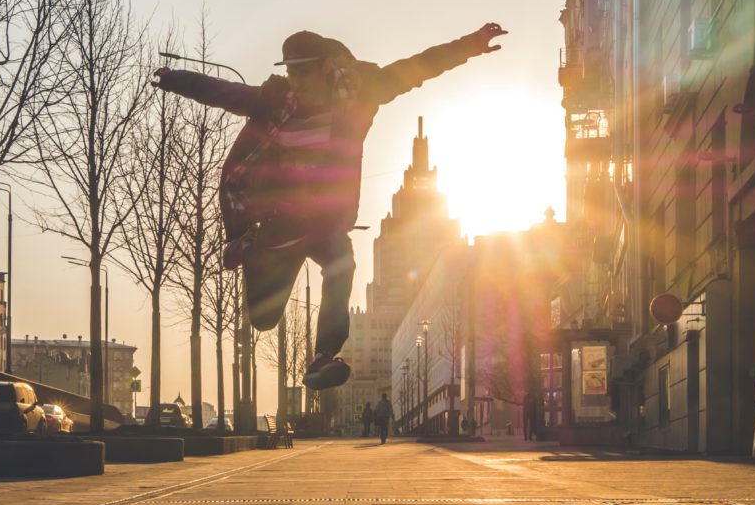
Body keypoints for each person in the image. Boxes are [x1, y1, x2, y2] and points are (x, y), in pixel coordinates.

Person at [153, 24, 508, 391]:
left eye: (303, 71)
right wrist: (173, 78)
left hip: (325, 222)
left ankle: (323, 356)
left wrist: (472, 44)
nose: (296, 80)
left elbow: (416, 68)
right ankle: (251, 250)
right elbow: (222, 91)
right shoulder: (275, 100)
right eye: (291, 71)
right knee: (262, 319)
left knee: (342, 263)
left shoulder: (360, 93)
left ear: (325, 67)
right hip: (281, 220)